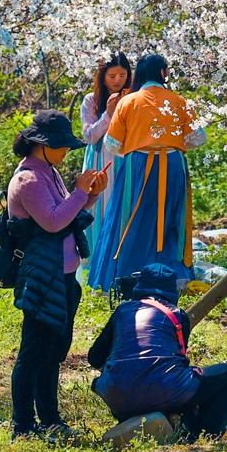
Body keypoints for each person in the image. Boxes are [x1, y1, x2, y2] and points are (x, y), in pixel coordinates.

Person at [8, 109, 104, 440]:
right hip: (42, 278)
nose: (65, 153)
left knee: (53, 353)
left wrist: (90, 194)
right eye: (61, 147)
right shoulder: (29, 179)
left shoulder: (48, 171)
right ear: (41, 144)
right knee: (33, 352)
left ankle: (49, 418)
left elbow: (67, 213)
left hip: (62, 276)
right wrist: (80, 191)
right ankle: (22, 425)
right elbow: (52, 221)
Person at [88, 263, 227, 442]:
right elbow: (179, 362)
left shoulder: (122, 311)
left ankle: (135, 420)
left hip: (116, 396)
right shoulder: (178, 315)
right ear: (172, 290)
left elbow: (94, 358)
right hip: (165, 389)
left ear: (139, 286)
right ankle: (201, 432)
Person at [88, 54, 205, 292]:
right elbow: (198, 137)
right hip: (173, 163)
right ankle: (173, 275)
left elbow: (112, 143)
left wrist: (136, 146)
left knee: (129, 216)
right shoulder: (181, 101)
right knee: (172, 216)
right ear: (164, 72)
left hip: (137, 164)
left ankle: (122, 275)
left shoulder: (128, 102)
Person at [81, 53, 132, 289]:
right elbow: (89, 135)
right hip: (101, 157)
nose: (117, 80)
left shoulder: (133, 99)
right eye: (112, 75)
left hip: (125, 160)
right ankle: (95, 266)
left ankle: (120, 264)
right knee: (99, 205)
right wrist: (108, 114)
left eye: (122, 75)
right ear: (102, 77)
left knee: (122, 207)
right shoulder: (91, 100)